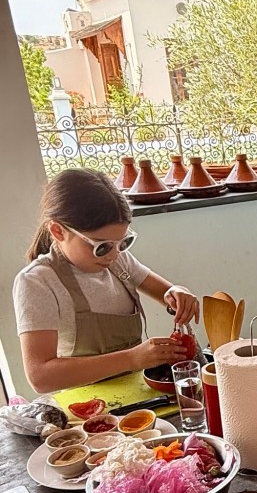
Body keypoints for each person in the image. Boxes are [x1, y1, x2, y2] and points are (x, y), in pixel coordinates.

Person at [13, 168, 199, 393]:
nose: (112, 255)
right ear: (58, 231)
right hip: (84, 402)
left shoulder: (118, 260)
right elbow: (40, 377)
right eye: (100, 246)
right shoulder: (37, 282)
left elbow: (166, 292)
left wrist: (177, 293)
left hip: (137, 391)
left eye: (122, 243)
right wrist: (131, 359)